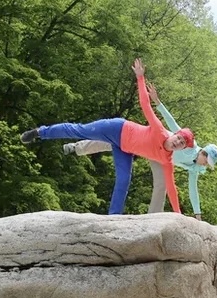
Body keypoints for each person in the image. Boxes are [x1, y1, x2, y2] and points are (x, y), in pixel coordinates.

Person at [19, 58, 191, 215]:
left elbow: (171, 187)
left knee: (124, 180)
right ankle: (40, 132)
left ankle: (113, 217)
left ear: (182, 148)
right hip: (116, 129)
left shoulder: (167, 161)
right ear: (175, 134)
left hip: (124, 148)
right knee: (79, 130)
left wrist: (178, 214)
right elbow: (145, 104)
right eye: (179, 138)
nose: (178, 142)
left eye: (182, 143)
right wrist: (140, 78)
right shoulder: (159, 130)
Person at [64, 84, 217, 220]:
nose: (205, 165)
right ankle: (77, 147)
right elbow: (172, 123)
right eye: (206, 162)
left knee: (162, 185)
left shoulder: (196, 169)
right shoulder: (189, 144)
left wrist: (197, 214)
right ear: (204, 154)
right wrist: (157, 102)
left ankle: (152, 218)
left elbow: (193, 190)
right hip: (156, 141)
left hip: (162, 159)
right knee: (115, 142)